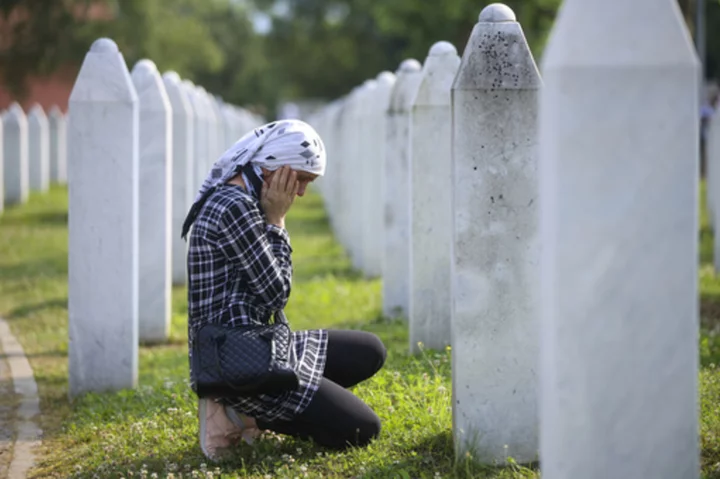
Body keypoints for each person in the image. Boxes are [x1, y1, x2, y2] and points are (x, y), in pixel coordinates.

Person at [181, 119, 387, 461]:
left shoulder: (245, 197)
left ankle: (256, 408)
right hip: (238, 365)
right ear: (276, 169)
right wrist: (277, 221)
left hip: (257, 342)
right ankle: (237, 412)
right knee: (363, 429)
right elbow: (276, 294)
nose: (302, 192)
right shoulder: (236, 207)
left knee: (370, 350)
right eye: (302, 179)